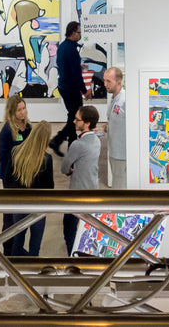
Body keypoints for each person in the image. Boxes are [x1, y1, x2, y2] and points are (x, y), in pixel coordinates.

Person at [5, 121, 55, 256]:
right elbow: (49, 188)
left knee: (18, 240)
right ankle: (32, 271)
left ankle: (15, 269)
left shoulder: (16, 152)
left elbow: (7, 179)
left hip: (19, 205)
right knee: (35, 244)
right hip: (37, 208)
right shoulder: (46, 160)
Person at [60, 104, 100, 254]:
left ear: (87, 123)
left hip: (77, 195)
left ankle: (73, 255)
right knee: (90, 228)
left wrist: (71, 170)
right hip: (94, 191)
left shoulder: (77, 145)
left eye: (77, 120)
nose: (74, 122)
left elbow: (64, 168)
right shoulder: (97, 141)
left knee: (69, 227)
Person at [50, 21, 91, 156]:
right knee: (76, 119)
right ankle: (57, 140)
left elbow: (66, 67)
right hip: (71, 89)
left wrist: (79, 66)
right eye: (79, 32)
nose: (80, 35)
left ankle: (70, 148)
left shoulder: (63, 47)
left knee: (73, 117)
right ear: (73, 33)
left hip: (64, 86)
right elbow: (75, 76)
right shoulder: (71, 50)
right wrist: (85, 91)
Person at [0, 94, 30, 255]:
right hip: (10, 179)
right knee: (10, 215)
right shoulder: (6, 131)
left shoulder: (28, 127)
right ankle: (8, 249)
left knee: (22, 214)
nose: (22, 112)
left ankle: (18, 247)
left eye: (24, 109)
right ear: (12, 112)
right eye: (19, 110)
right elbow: (3, 157)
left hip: (24, 177)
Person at [104, 67, 127, 189]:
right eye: (104, 80)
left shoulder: (124, 100)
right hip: (114, 151)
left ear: (119, 82)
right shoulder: (114, 98)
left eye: (109, 81)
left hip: (121, 154)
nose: (105, 84)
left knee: (119, 188)